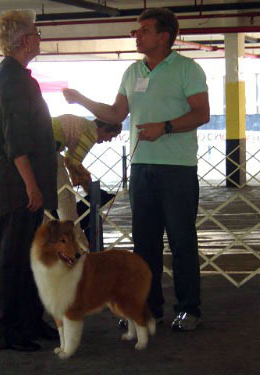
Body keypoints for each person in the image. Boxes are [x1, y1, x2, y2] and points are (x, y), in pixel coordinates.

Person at [63, 7, 210, 332]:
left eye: (144, 30)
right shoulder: (132, 72)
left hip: (178, 169)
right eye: (136, 30)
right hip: (142, 168)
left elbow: (202, 113)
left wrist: (166, 127)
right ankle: (148, 307)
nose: (136, 35)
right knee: (144, 245)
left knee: (182, 240)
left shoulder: (188, 69)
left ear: (164, 36)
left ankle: (189, 308)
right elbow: (116, 114)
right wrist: (81, 100)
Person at [0, 9, 58, 352]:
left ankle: (28, 320)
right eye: (36, 33)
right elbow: (15, 140)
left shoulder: (15, 77)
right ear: (25, 40)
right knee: (12, 258)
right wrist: (31, 184)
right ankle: (8, 328)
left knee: (28, 255)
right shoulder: (13, 80)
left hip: (18, 182)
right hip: (16, 185)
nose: (40, 37)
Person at [51, 114, 121, 249]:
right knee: (66, 203)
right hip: (49, 150)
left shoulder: (84, 125)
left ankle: (48, 250)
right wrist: (85, 179)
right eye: (111, 136)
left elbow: (69, 159)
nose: (109, 140)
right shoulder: (92, 132)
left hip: (39, 147)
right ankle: (81, 250)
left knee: (46, 209)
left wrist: (78, 177)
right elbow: (74, 162)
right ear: (105, 128)